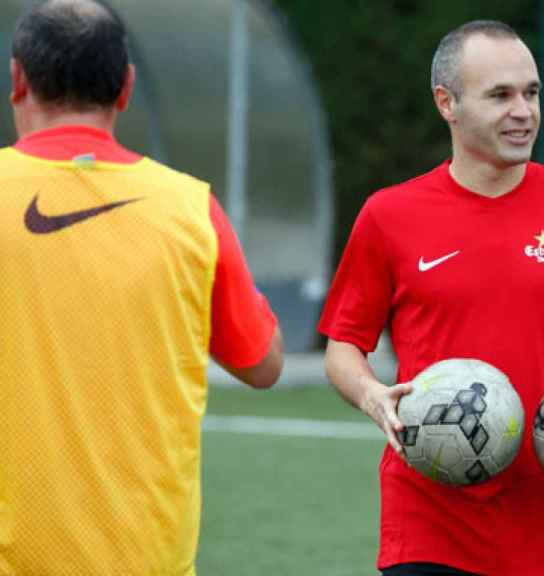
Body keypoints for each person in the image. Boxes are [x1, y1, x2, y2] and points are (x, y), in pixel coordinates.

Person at [319, 19, 544, 576]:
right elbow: (343, 348)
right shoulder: (389, 215)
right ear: (447, 103)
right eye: (500, 95)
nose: (524, 111)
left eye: (531, 93)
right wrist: (372, 396)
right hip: (427, 518)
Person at [0, 1, 284, 574]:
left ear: (18, 79)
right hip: (147, 558)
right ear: (126, 87)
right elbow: (264, 364)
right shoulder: (190, 210)